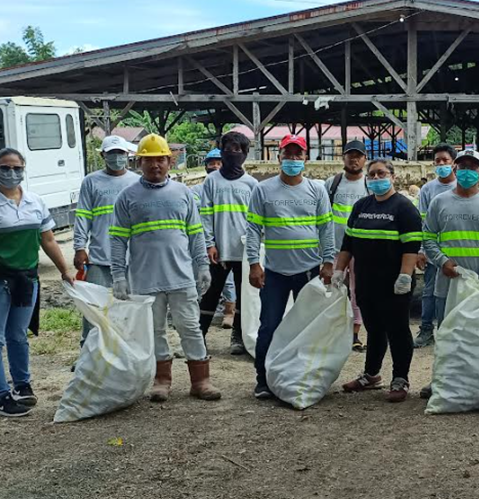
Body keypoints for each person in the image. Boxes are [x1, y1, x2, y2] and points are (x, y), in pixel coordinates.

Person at [110, 133, 221, 403]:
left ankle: (201, 381)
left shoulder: (184, 194)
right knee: (155, 330)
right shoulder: (127, 197)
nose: (155, 165)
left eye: (160, 159)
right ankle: (162, 380)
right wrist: (118, 276)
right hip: (145, 278)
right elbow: (117, 239)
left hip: (181, 276)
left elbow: (196, 235)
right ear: (139, 163)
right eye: (148, 160)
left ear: (170, 162)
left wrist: (203, 267)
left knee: (190, 327)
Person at [0, 148, 75, 417]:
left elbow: (48, 240)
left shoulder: (35, 202)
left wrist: (65, 270)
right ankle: (0, 397)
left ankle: (22, 385)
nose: (11, 173)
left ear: (24, 170)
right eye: (5, 168)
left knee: (18, 335)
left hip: (26, 279)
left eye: (17, 168)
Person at [247, 134, 334, 400]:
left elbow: (325, 227)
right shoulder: (263, 190)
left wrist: (328, 261)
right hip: (274, 272)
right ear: (279, 157)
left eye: (298, 155)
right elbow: (253, 229)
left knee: (306, 327)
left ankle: (302, 376)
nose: (293, 160)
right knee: (269, 326)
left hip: (308, 271)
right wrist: (253, 263)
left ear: (305, 158)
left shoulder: (317, 189)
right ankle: (263, 379)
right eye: (289, 154)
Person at [335, 159, 423, 402]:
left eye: (381, 173)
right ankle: (372, 374)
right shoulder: (361, 206)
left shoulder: (404, 208)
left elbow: (411, 247)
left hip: (394, 283)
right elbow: (348, 243)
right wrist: (338, 270)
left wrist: (405, 276)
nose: (376, 178)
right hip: (365, 281)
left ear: (393, 177)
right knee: (373, 329)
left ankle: (400, 378)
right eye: (372, 174)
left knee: (397, 330)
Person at [420, 149, 479, 398]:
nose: (467, 171)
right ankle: (443, 381)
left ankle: (474, 383)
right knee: (446, 333)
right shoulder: (439, 202)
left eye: (472, 167)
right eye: (463, 166)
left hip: (477, 286)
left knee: (476, 335)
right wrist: (442, 261)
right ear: (456, 170)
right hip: (447, 283)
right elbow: (429, 237)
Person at [73, 135, 139, 349]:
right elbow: (83, 215)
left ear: (127, 155)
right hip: (100, 257)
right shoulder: (91, 181)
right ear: (103, 155)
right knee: (93, 307)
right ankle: (89, 351)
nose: (117, 158)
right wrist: (79, 247)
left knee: (127, 308)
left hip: (132, 259)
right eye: (112, 154)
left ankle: (123, 350)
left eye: (120, 153)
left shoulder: (137, 181)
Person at [198, 132, 258, 353]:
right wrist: (209, 243)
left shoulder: (252, 184)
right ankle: (199, 336)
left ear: (245, 154)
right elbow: (205, 215)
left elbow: (255, 221)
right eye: (228, 148)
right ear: (222, 151)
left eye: (238, 149)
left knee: (244, 296)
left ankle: (238, 337)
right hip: (219, 251)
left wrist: (253, 252)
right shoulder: (211, 181)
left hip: (243, 252)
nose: (233, 153)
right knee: (210, 294)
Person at [324, 141, 369, 352]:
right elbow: (322, 217)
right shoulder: (331, 184)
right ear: (343, 158)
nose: (354, 159)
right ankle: (332, 332)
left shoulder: (370, 184)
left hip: (361, 249)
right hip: (335, 248)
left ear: (364, 159)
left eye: (358, 155)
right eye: (350, 155)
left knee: (358, 291)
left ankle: (354, 334)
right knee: (332, 290)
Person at [412, 144, 457, 348]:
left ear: (453, 163)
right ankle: (426, 329)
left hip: (458, 251)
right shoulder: (428, 190)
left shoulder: (462, 187)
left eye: (445, 160)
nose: (441, 164)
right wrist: (421, 250)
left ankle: (454, 331)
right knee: (429, 292)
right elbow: (422, 222)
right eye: (437, 161)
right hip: (433, 251)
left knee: (457, 293)